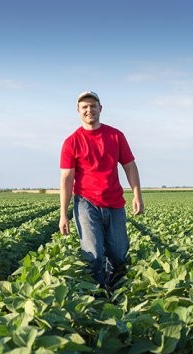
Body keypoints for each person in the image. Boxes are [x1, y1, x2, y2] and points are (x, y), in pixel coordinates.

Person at [59, 91, 144, 290]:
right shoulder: (71, 142)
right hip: (85, 202)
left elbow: (130, 166)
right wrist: (63, 214)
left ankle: (116, 291)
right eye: (84, 107)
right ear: (78, 111)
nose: (89, 110)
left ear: (100, 108)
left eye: (93, 106)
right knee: (93, 254)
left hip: (114, 202)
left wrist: (137, 195)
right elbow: (67, 179)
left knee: (118, 253)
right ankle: (96, 298)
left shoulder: (115, 135)